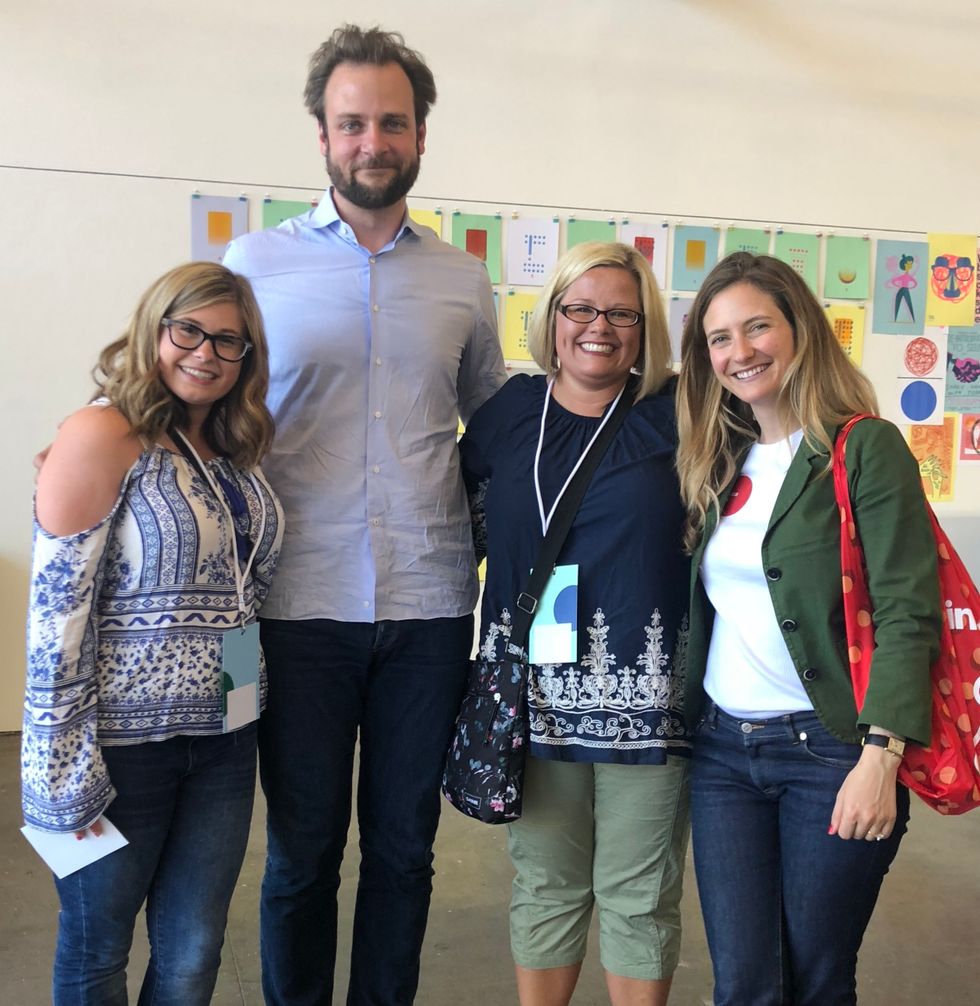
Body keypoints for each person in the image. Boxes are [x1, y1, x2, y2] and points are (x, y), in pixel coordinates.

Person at [221, 23, 506, 1006]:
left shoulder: (462, 279)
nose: (370, 140)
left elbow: (497, 426)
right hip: (290, 611)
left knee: (402, 851)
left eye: (390, 121)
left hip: (429, 611)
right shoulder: (253, 264)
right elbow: (191, 392)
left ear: (419, 134)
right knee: (300, 854)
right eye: (351, 123)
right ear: (321, 136)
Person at [675, 252, 942, 1005]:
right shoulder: (715, 458)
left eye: (757, 326)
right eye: (719, 338)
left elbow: (907, 613)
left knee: (817, 981)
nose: (739, 351)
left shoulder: (863, 448)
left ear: (800, 330)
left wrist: (880, 757)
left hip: (831, 753)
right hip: (725, 755)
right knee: (745, 985)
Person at [22, 262, 284, 1004]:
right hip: (120, 750)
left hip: (226, 743)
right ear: (154, 331)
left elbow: (244, 593)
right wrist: (62, 771)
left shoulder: (231, 453)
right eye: (188, 331)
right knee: (97, 949)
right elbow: (55, 619)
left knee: (194, 951)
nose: (205, 353)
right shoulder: (102, 433)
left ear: (246, 358)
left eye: (228, 341)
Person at [460, 242, 691, 1006]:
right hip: (530, 695)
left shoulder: (680, 413)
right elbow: (451, 520)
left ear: (645, 325)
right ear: (553, 317)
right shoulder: (509, 412)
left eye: (623, 313)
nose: (600, 326)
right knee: (547, 884)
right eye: (581, 308)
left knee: (638, 894)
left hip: (647, 705)